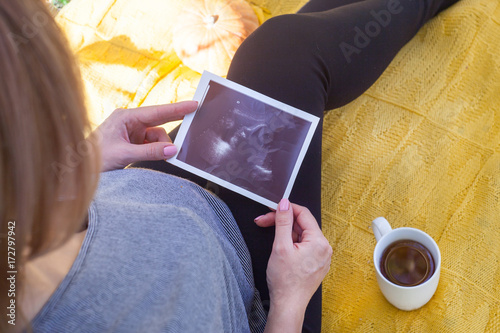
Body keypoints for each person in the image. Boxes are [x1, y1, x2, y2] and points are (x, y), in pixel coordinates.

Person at [0, 0, 457, 332]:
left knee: (275, 49)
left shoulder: (15, 238)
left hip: (143, 200)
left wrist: (81, 170)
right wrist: (289, 303)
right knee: (288, 52)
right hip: (255, 294)